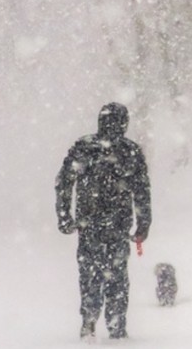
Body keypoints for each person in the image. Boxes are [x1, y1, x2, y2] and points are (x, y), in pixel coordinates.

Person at [55, 102, 152, 341]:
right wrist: (143, 224)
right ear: (124, 124)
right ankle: (116, 326)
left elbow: (64, 183)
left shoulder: (84, 147)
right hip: (118, 226)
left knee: (90, 274)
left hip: (89, 225)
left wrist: (65, 216)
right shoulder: (130, 151)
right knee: (117, 276)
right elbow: (141, 192)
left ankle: (89, 321)